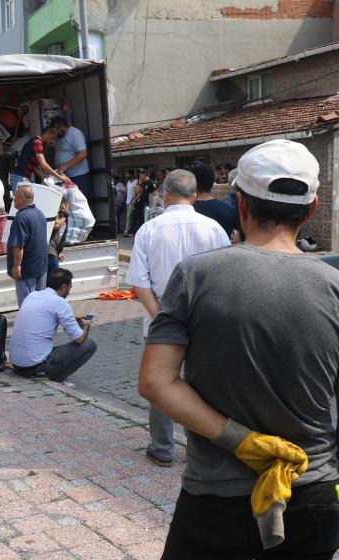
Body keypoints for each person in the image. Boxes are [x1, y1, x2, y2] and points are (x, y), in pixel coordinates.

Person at [140, 140, 339, 559]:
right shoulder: (334, 287)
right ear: (312, 208)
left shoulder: (196, 275)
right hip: (313, 493)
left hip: (216, 501)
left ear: (241, 203)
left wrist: (241, 440)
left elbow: (156, 381)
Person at [126, 169, 230, 469]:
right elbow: (223, 280)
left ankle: (162, 448)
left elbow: (140, 283)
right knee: (203, 386)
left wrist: (163, 318)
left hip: (160, 320)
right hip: (204, 320)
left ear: (165, 194)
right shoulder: (213, 229)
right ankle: (204, 449)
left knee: (161, 384)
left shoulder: (149, 229)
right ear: (194, 195)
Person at [9, 269, 97, 382]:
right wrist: (86, 326)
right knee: (90, 344)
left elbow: (43, 315)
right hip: (36, 366)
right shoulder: (60, 303)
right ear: (63, 287)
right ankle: (58, 377)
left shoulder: (33, 295)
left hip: (17, 364)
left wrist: (71, 319)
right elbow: (79, 339)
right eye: (70, 288)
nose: (69, 292)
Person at [7, 185, 48, 306]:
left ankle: (29, 324)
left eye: (15, 197)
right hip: (41, 267)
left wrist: (17, 266)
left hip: (27, 269)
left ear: (20, 198)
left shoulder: (21, 217)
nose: (13, 199)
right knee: (40, 302)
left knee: (27, 304)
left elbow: (18, 245)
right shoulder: (40, 214)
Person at [190, 164, 237, 237]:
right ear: (212, 182)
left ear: (192, 184)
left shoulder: (187, 213)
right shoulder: (229, 209)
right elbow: (244, 234)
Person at [51, 116, 91, 200]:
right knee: (66, 203)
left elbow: (82, 154)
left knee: (79, 201)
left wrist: (65, 166)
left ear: (61, 127)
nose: (55, 134)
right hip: (63, 177)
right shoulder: (58, 137)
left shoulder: (75, 134)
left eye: (56, 131)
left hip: (78, 176)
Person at [124, 169, 155, 237]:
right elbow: (138, 192)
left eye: (141, 175)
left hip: (148, 204)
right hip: (141, 204)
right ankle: (140, 234)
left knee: (146, 219)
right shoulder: (142, 183)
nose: (140, 177)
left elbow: (155, 193)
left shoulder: (150, 183)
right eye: (139, 176)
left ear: (144, 175)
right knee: (140, 219)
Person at [48, 198, 70, 273]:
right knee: (55, 280)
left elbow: (59, 237)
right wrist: (64, 215)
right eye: (68, 207)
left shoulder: (60, 217)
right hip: (49, 253)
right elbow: (56, 225)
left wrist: (58, 252)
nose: (68, 209)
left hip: (53, 252)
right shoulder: (55, 214)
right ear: (63, 206)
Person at [123, 170, 138, 236]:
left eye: (128, 174)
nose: (127, 175)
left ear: (132, 174)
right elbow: (127, 191)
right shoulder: (128, 182)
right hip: (127, 202)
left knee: (129, 216)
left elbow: (137, 192)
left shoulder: (136, 181)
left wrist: (134, 200)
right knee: (130, 217)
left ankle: (127, 231)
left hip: (133, 201)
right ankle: (131, 231)